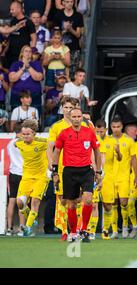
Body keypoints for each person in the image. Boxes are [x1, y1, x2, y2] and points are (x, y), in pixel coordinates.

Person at [51, 108, 102, 242]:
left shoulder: (89, 132)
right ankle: (73, 233)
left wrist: (98, 171)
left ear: (82, 118)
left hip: (86, 170)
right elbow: (56, 152)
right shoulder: (63, 133)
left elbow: (97, 151)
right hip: (69, 171)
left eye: (79, 116)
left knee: (89, 199)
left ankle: (84, 230)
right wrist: (55, 172)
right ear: (70, 117)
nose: (76, 119)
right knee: (71, 204)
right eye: (74, 116)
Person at [46, 96, 82, 241]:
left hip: (80, 166)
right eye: (65, 107)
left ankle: (78, 229)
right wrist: (51, 164)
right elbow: (50, 147)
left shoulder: (84, 124)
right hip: (62, 167)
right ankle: (64, 231)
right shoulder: (56, 126)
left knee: (78, 199)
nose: (67, 110)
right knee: (62, 199)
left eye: (70, 107)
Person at [14, 120, 48, 236]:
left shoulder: (42, 142)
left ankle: (28, 228)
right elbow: (15, 143)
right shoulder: (18, 143)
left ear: (34, 134)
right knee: (19, 202)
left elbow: (55, 145)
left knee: (35, 202)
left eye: (28, 134)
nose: (25, 136)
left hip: (41, 177)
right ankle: (31, 219)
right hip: (26, 177)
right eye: (23, 134)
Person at [107, 116, 137, 239]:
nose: (116, 129)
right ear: (110, 127)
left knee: (124, 203)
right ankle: (114, 231)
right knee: (113, 204)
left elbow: (134, 159)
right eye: (114, 127)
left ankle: (125, 226)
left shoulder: (129, 140)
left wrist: (136, 175)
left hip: (124, 177)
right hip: (110, 177)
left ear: (122, 127)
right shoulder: (107, 140)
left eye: (118, 126)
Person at [53, 0, 84, 76]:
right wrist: (65, 30)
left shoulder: (78, 16)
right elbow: (55, 36)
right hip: (60, 49)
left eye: (71, 2)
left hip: (74, 49)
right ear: (63, 3)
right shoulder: (58, 15)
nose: (69, 4)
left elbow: (78, 35)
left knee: (73, 75)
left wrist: (70, 29)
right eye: (67, 2)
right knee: (59, 75)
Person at [7, 45, 44, 113]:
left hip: (34, 94)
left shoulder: (36, 64)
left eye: (30, 51)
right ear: (22, 53)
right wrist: (23, 69)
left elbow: (39, 78)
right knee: (16, 118)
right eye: (26, 51)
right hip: (17, 94)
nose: (28, 53)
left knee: (34, 120)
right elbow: (11, 79)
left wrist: (28, 67)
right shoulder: (15, 64)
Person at [6, 124, 25, 236]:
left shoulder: (9, 144)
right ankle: (21, 229)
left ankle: (9, 228)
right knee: (22, 201)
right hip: (23, 173)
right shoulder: (24, 143)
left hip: (13, 173)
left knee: (12, 200)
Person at [4, 2, 36, 68]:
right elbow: (9, 37)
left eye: (12, 9)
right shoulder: (12, 21)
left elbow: (34, 38)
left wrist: (32, 52)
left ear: (19, 9)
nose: (11, 11)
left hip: (22, 55)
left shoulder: (28, 22)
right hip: (11, 54)